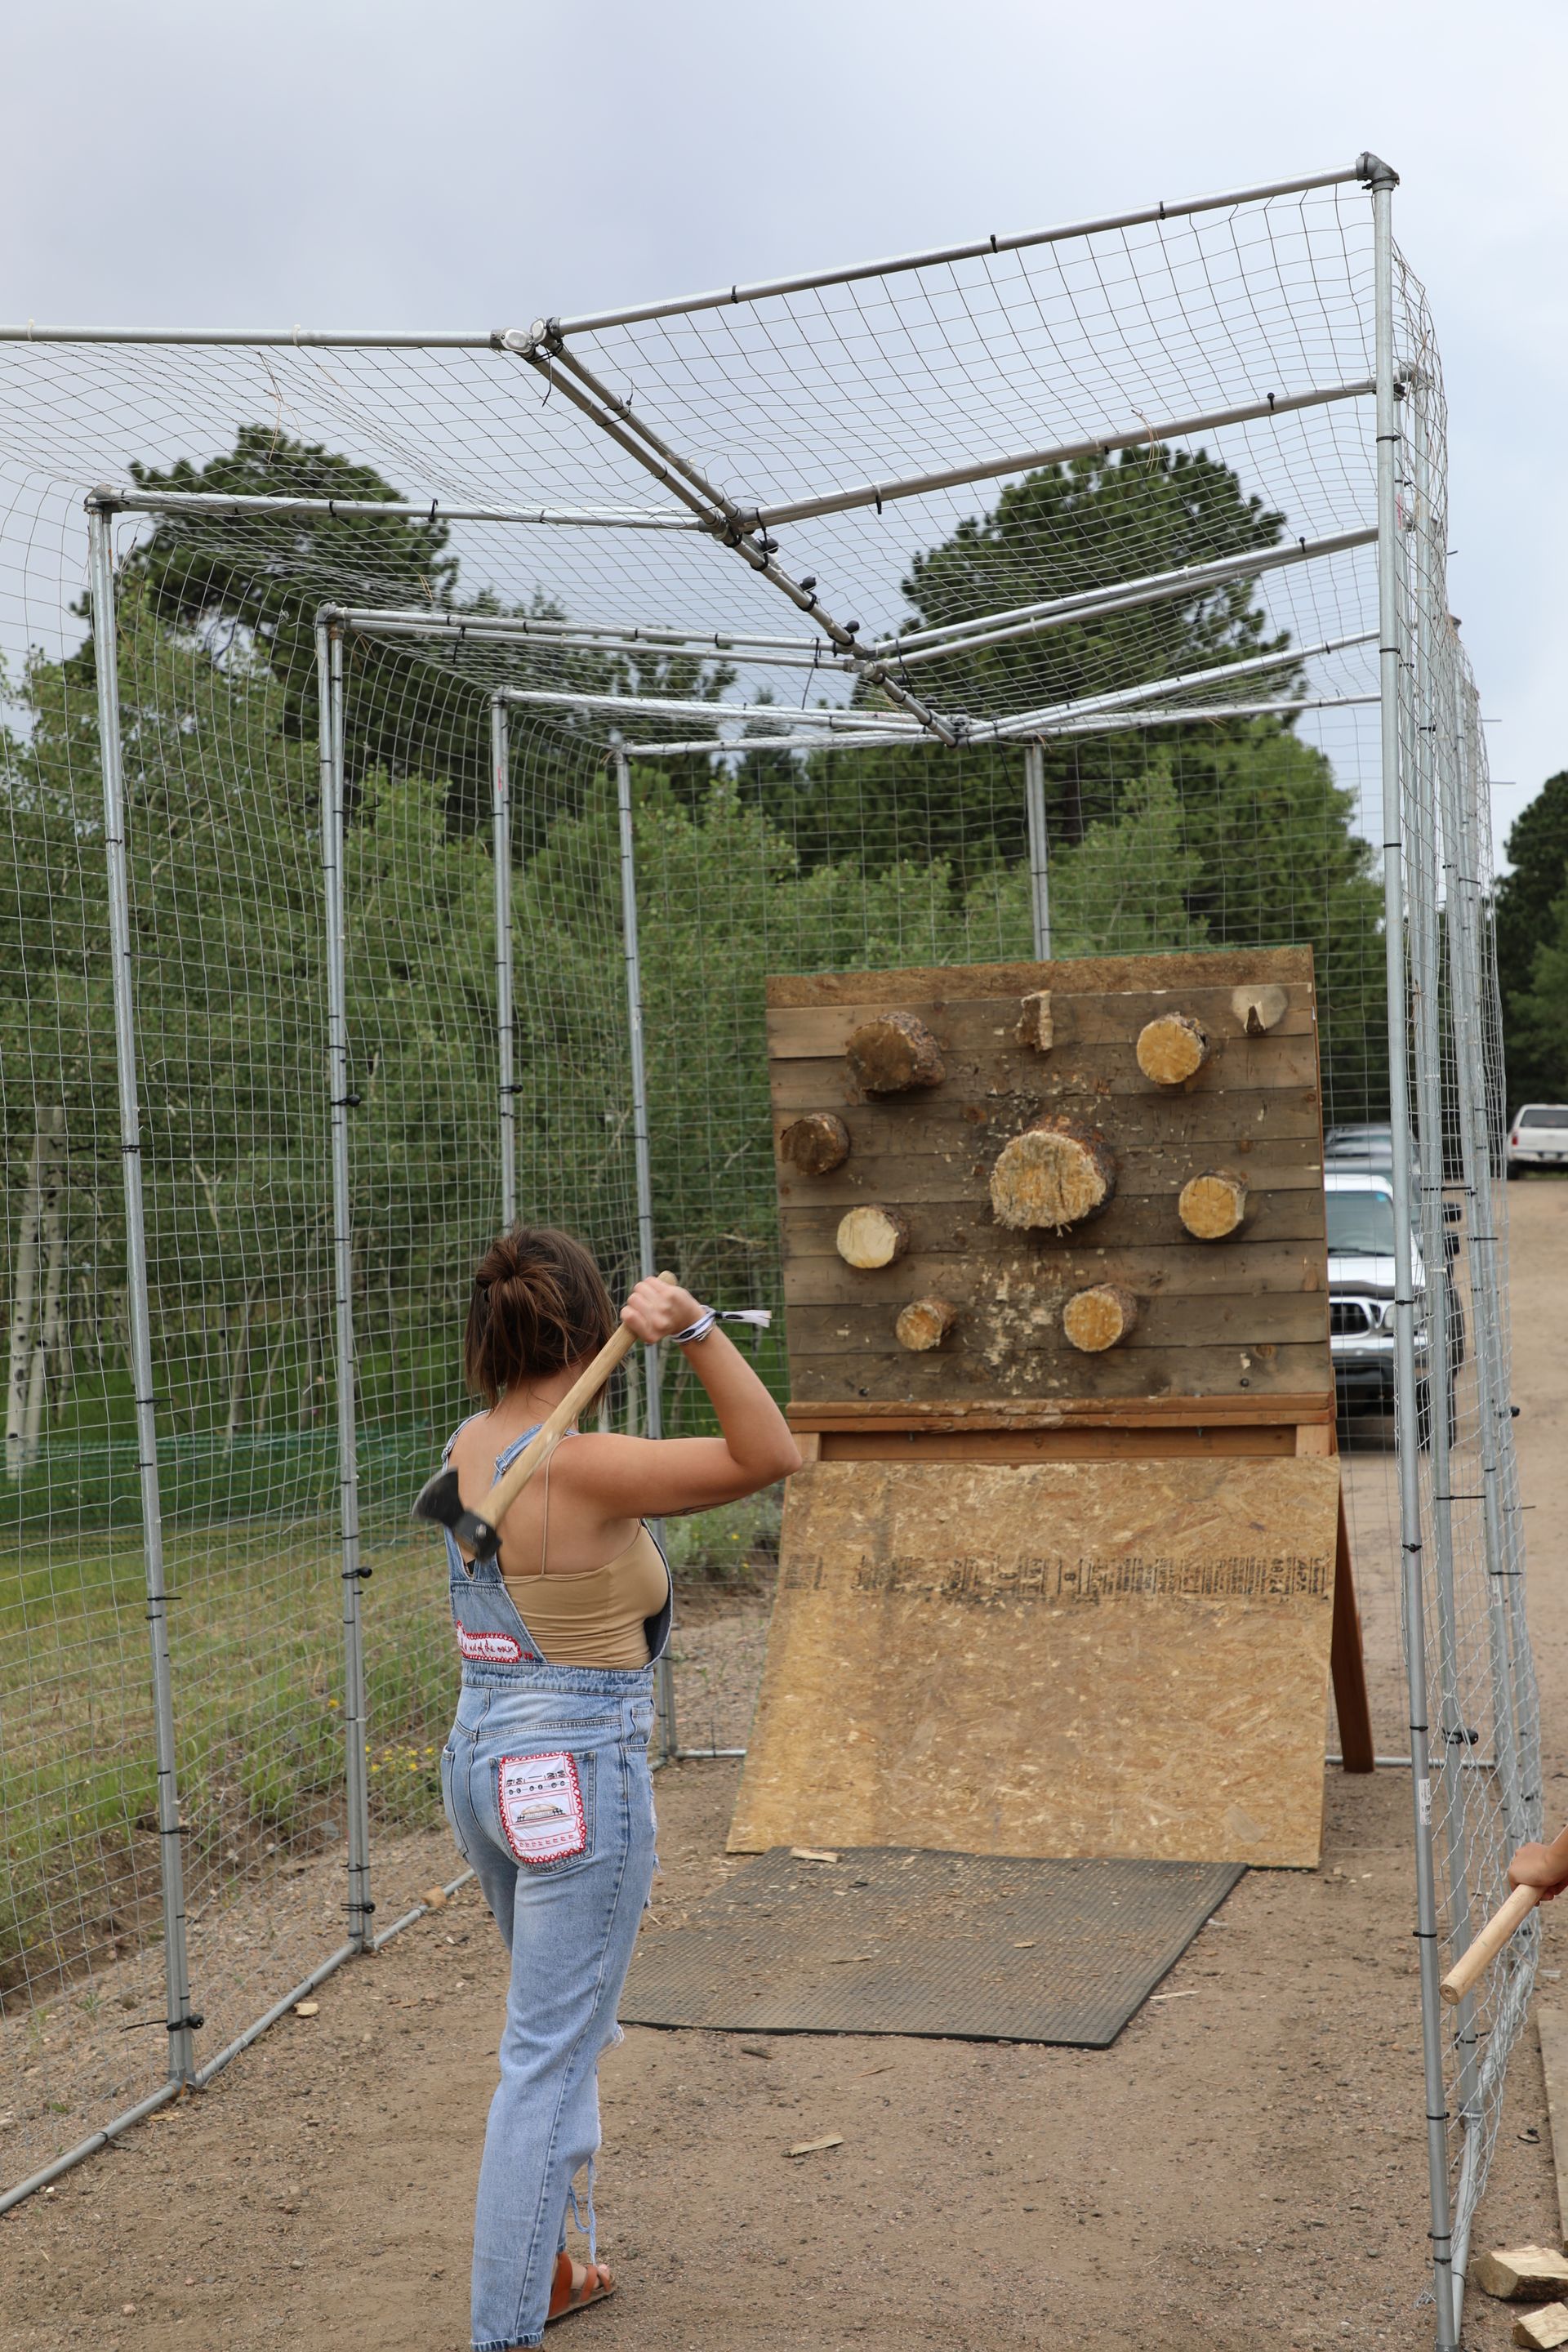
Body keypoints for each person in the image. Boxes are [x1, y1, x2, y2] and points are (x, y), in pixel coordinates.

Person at [435, 1226, 801, 2351]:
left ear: (490, 1339)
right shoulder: (586, 1467)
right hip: (576, 1769)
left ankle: (552, 2272)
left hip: (484, 1764)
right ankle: (506, 2330)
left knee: (562, 2031)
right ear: (591, 1328)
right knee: (546, 2058)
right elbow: (770, 1451)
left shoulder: (471, 1445)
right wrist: (692, 1329)